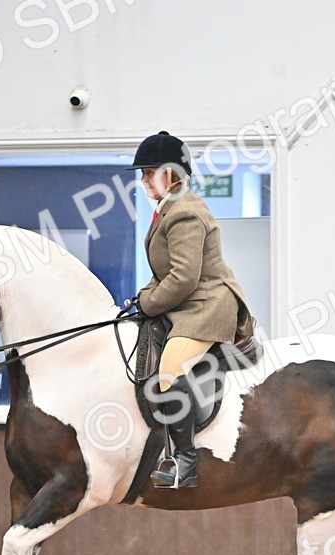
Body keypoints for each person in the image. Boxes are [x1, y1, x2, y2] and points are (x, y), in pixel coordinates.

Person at [124, 131, 255, 489]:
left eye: (149, 172)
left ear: (171, 172)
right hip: (188, 303)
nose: (143, 180)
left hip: (206, 306)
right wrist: (140, 299)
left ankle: (184, 461)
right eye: (143, 174)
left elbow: (183, 278)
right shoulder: (168, 208)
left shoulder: (184, 212)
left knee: (168, 371)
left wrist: (149, 303)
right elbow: (164, 273)